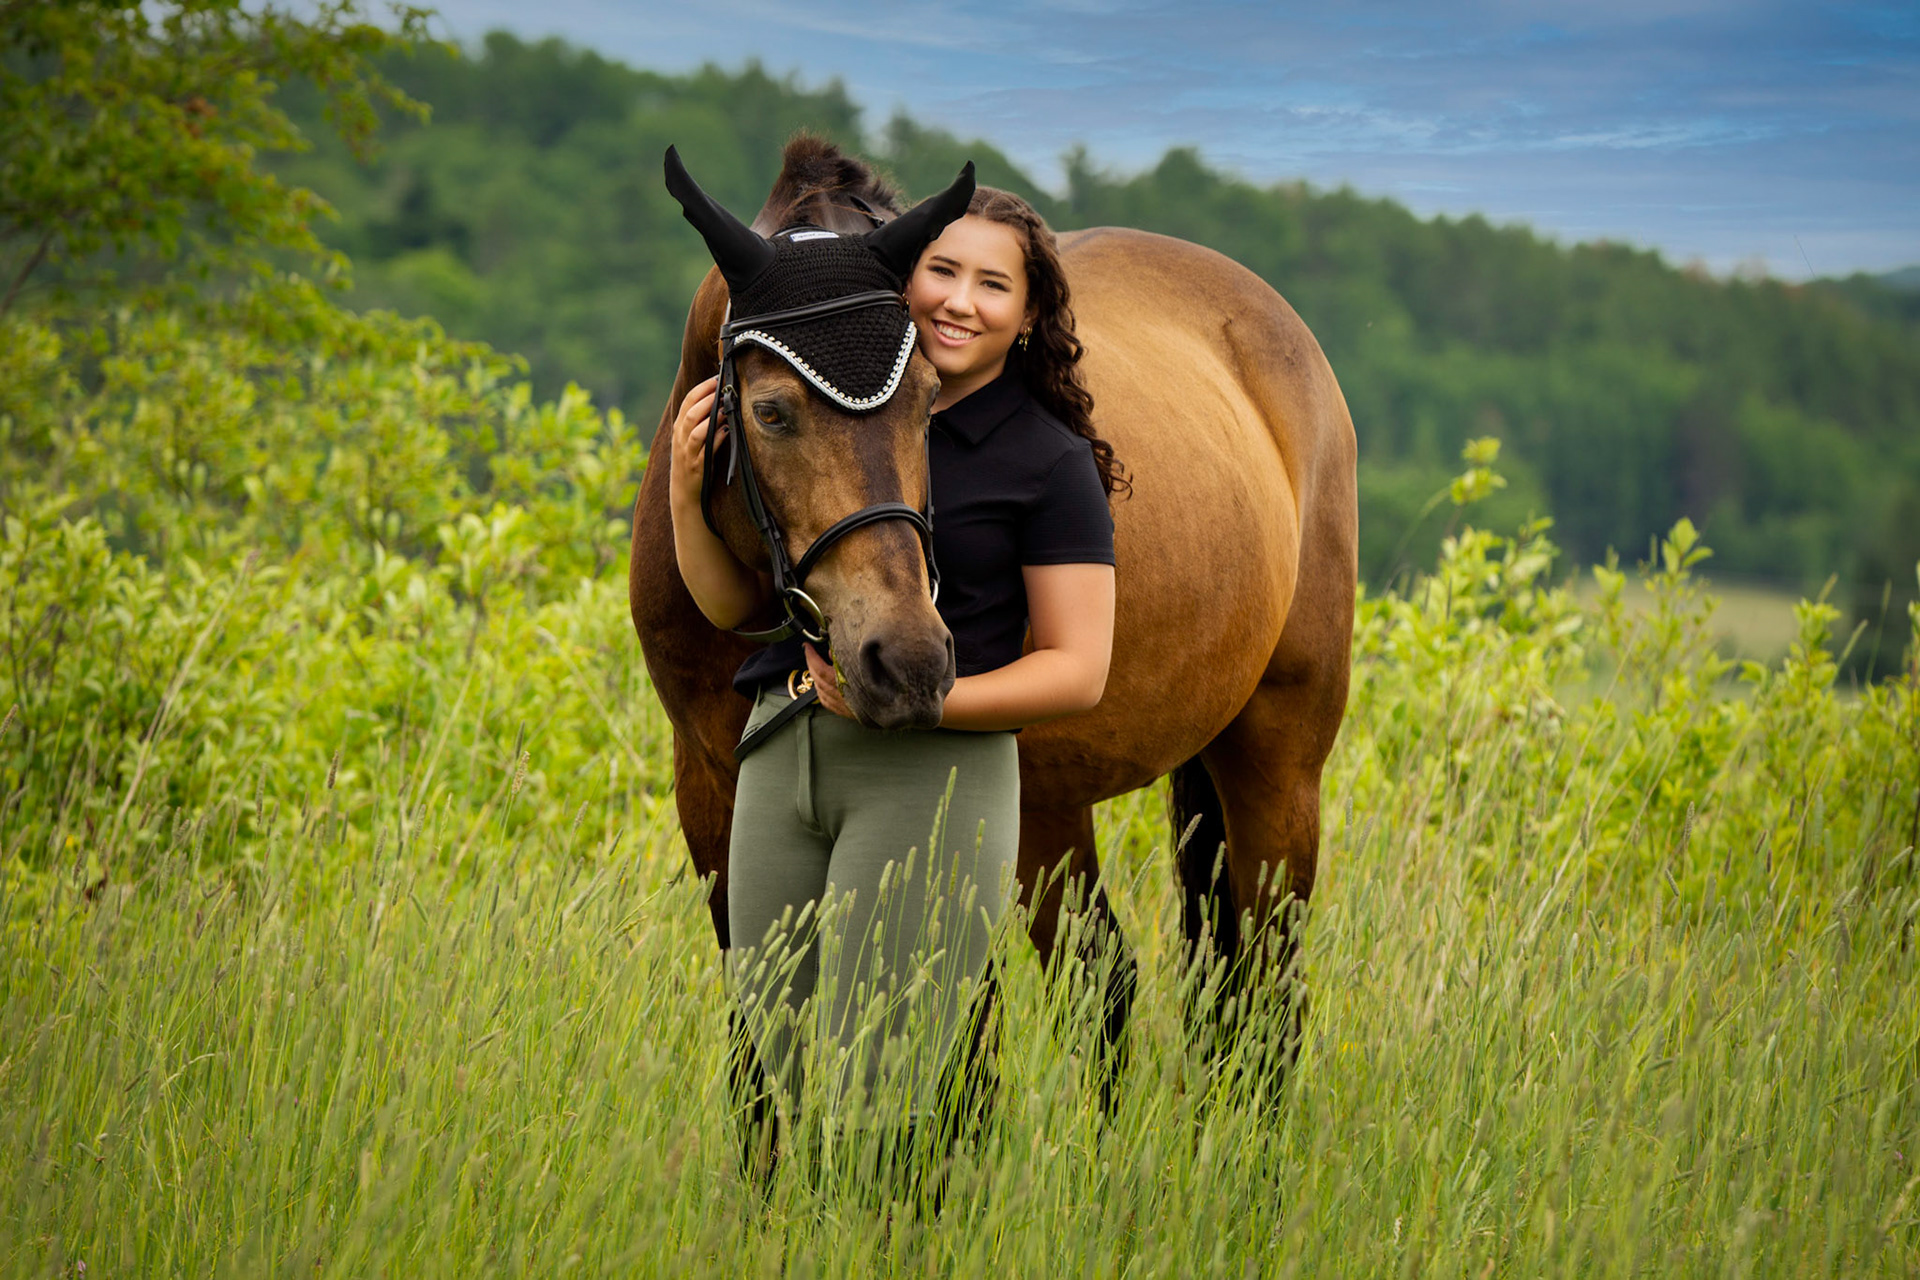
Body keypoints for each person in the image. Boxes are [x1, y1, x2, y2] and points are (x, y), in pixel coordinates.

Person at [668, 185, 1124, 1180]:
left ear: (1030, 314)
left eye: (993, 284)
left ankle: (893, 1232)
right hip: (787, 751)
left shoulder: (1044, 461)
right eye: (941, 272)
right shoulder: (841, 409)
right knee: (778, 1072)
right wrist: (682, 482)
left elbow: (1082, 667)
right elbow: (732, 607)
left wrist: (930, 701)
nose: (959, 300)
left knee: (884, 1089)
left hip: (923, 764)